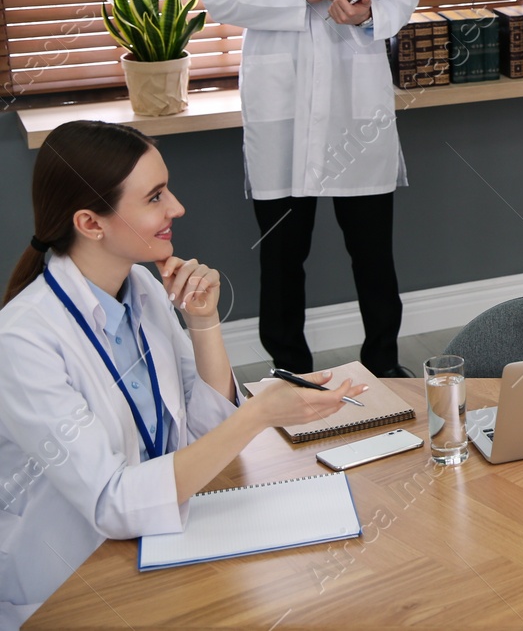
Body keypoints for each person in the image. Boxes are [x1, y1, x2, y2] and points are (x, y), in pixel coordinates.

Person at [0, 121, 358, 628]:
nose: (177, 208)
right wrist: (256, 414)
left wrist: (203, 321)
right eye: (155, 197)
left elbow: (204, 441)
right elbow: (112, 504)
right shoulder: (22, 341)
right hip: (71, 584)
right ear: (90, 222)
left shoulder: (142, 288)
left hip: (163, 541)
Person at [200, 0, 419, 378]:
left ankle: (384, 366)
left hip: (355, 95)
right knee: (283, 256)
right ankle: (289, 372)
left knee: (373, 253)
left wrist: (369, 10)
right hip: (283, 99)